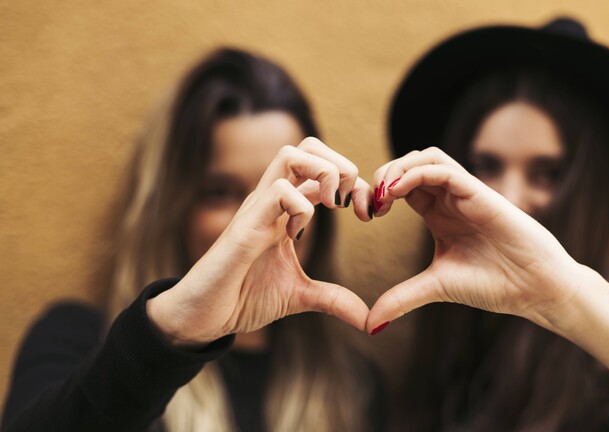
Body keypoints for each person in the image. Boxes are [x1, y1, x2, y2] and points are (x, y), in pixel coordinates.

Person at [367, 17, 609, 431]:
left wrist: (565, 294)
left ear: (594, 192)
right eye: (487, 166)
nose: (509, 196)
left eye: (547, 173)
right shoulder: (455, 334)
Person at [2, 48, 383, 432]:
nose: (264, 213)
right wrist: (172, 331)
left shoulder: (353, 383)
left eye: (292, 187)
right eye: (220, 192)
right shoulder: (79, 343)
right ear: (172, 207)